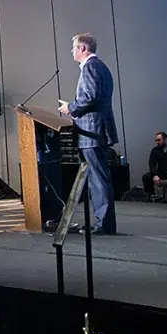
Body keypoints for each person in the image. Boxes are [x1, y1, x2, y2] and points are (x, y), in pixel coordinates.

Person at [59, 33, 118, 235]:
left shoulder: (91, 67)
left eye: (74, 47)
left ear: (83, 48)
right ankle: (103, 223)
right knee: (97, 178)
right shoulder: (100, 67)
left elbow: (90, 97)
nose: (72, 51)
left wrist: (71, 108)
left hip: (92, 131)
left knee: (98, 179)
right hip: (95, 131)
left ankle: (104, 224)